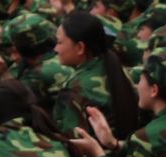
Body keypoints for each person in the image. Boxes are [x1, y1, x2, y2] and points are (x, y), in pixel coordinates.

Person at [51, 10, 139, 141]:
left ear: (80, 47)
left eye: (59, 43)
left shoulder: (77, 88)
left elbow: (73, 142)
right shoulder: (114, 66)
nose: (55, 49)